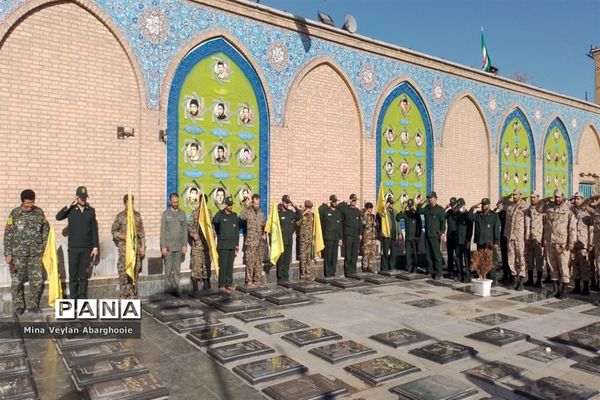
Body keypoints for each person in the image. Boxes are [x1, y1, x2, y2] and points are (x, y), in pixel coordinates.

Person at [4, 189, 49, 314]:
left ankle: (33, 305)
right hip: (18, 255)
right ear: (22, 201)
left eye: (32, 202)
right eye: (27, 203)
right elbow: (8, 234)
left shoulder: (39, 212)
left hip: (35, 254)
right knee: (17, 281)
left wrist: (43, 245)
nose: (30, 205)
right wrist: (8, 253)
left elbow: (46, 229)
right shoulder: (14, 213)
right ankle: (18, 306)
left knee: (37, 280)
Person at [56, 186, 99, 300]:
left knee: (83, 275)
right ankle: (73, 299)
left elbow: (94, 230)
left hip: (86, 249)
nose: (84, 199)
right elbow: (58, 217)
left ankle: (82, 298)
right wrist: (69, 205)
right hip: (74, 249)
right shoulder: (70, 210)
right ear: (77, 197)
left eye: (85, 197)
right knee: (73, 275)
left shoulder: (91, 211)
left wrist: (95, 247)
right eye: (81, 197)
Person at [536, 189, 575, 299]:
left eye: (559, 197)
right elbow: (538, 209)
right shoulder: (549, 207)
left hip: (562, 243)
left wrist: (571, 242)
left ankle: (563, 290)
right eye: (555, 197)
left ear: (562, 196)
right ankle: (555, 289)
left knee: (563, 266)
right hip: (550, 242)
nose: (557, 199)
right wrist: (544, 200)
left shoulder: (569, 208)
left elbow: (572, 227)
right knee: (552, 266)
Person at [111, 194, 146, 298]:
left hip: (135, 251)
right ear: (124, 203)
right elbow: (114, 231)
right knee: (123, 274)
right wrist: (123, 236)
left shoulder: (137, 216)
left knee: (134, 274)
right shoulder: (120, 216)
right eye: (129, 202)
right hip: (124, 252)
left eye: (132, 202)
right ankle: (124, 295)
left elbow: (142, 232)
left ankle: (132, 295)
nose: (131, 204)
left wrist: (143, 246)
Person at [160, 193, 187, 296]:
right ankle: (167, 290)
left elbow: (184, 230)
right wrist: (163, 247)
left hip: (179, 247)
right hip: (168, 248)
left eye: (177, 202)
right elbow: (162, 232)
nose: (176, 204)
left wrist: (184, 245)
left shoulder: (182, 214)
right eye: (174, 202)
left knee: (177, 270)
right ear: (170, 201)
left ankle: (176, 289)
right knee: (168, 270)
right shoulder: (165, 214)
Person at [468, 198, 501, 284]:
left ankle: (493, 279)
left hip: (489, 242)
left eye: (485, 204)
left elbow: (496, 230)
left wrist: (497, 242)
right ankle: (483, 277)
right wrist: (473, 208)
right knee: (481, 260)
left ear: (489, 205)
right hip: (480, 242)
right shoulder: (478, 215)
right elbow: (469, 217)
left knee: (490, 261)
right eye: (482, 204)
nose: (483, 206)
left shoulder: (494, 216)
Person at [213, 197, 239, 292]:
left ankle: (229, 284)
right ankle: (222, 285)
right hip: (223, 245)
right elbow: (215, 220)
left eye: (231, 204)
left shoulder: (234, 215)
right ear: (225, 204)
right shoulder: (221, 215)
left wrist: (237, 244)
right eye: (228, 204)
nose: (230, 206)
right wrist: (221, 210)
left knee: (229, 266)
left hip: (232, 245)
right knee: (223, 266)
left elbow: (236, 231)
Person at [417, 192, 446, 279]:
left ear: (435, 198)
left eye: (431, 198)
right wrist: (420, 204)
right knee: (428, 255)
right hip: (427, 235)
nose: (429, 199)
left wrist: (442, 233)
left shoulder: (439, 209)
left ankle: (439, 272)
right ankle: (430, 271)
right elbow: (419, 211)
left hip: (435, 236)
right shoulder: (426, 208)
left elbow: (443, 223)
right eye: (428, 198)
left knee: (436, 255)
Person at [504, 189, 528, 290]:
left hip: (520, 237)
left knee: (521, 258)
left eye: (516, 195)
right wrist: (506, 235)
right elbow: (499, 204)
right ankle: (514, 279)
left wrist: (527, 236)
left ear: (520, 195)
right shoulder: (509, 207)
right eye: (513, 195)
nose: (514, 197)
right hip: (510, 236)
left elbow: (527, 223)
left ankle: (521, 280)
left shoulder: (525, 206)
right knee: (511, 258)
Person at [569, 192, 593, 296]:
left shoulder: (587, 213)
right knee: (575, 266)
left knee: (585, 267)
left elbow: (591, 229)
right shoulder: (572, 211)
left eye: (578, 198)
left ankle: (586, 287)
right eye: (575, 198)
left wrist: (590, 243)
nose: (576, 200)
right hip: (574, 243)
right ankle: (577, 286)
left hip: (583, 243)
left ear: (583, 199)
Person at [188, 194, 213, 291]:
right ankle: (195, 287)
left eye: (204, 202)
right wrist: (194, 234)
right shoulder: (195, 213)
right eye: (201, 202)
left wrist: (213, 237)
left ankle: (207, 284)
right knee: (196, 265)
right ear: (199, 202)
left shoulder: (209, 213)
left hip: (207, 244)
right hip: (198, 244)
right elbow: (189, 226)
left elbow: (211, 227)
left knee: (207, 265)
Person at [240, 194, 265, 287]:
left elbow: (263, 224)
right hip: (250, 241)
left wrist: (263, 234)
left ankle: (257, 279)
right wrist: (247, 204)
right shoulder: (248, 211)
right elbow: (241, 216)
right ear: (252, 201)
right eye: (255, 203)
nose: (257, 205)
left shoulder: (261, 213)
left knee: (258, 261)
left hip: (259, 242)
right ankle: (249, 280)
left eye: (258, 203)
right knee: (250, 261)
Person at [277, 195, 301, 282]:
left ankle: (285, 276)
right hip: (281, 240)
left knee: (287, 260)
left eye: (288, 203)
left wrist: (294, 206)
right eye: (286, 202)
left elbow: (299, 216)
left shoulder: (290, 213)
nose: (287, 204)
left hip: (289, 240)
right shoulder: (278, 213)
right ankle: (280, 278)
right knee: (281, 260)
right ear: (282, 202)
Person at [338, 194, 362, 276]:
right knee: (348, 253)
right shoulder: (345, 209)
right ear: (350, 201)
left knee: (354, 254)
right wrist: (344, 203)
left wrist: (360, 233)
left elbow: (360, 223)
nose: (354, 202)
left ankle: (353, 269)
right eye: (353, 200)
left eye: (355, 200)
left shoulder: (357, 211)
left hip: (356, 235)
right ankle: (347, 271)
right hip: (348, 234)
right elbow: (338, 208)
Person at [319, 195, 343, 277]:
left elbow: (340, 226)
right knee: (328, 256)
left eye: (336, 201)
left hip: (336, 237)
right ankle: (328, 273)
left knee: (334, 256)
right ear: (330, 202)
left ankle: (333, 272)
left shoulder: (338, 212)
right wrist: (323, 204)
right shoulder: (325, 211)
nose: (335, 203)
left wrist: (340, 238)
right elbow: (319, 212)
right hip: (328, 237)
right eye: (334, 201)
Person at [524, 192, 544, 287]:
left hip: (538, 239)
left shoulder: (542, 210)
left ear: (538, 198)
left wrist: (543, 238)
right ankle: (530, 279)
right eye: (531, 197)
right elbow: (526, 225)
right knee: (529, 260)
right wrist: (526, 238)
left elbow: (546, 225)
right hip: (529, 238)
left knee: (539, 260)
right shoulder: (527, 211)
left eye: (534, 197)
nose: (532, 199)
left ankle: (539, 280)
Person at [396, 199, 421, 273]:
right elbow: (397, 218)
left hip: (414, 237)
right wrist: (403, 209)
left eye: (410, 205)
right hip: (408, 237)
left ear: (413, 205)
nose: (410, 206)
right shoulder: (406, 213)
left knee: (415, 254)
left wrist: (418, 235)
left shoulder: (416, 214)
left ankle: (415, 267)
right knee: (408, 253)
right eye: (408, 205)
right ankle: (408, 268)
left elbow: (419, 226)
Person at [582, 194, 600, 291]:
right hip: (597, 243)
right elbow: (583, 207)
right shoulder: (595, 210)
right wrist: (591, 198)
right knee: (598, 266)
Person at [454, 198, 473, 282]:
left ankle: (468, 276)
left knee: (466, 259)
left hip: (465, 240)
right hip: (458, 240)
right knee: (458, 258)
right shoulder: (457, 214)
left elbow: (470, 229)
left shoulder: (468, 215)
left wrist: (468, 240)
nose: (459, 208)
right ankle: (460, 275)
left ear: (464, 205)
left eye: (460, 206)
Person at [378, 196, 398, 271]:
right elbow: (380, 214)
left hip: (393, 235)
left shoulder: (395, 211)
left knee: (393, 252)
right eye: (391, 203)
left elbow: (397, 223)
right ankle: (385, 268)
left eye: (393, 203)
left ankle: (392, 267)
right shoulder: (384, 211)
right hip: (387, 235)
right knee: (385, 252)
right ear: (388, 203)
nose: (392, 205)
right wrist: (385, 207)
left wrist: (398, 234)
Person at [298, 200, 315, 280]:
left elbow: (313, 227)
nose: (309, 209)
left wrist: (313, 239)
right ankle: (303, 273)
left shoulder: (312, 215)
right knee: (303, 256)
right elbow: (297, 223)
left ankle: (308, 273)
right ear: (305, 207)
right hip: (303, 240)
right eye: (308, 208)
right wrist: (303, 214)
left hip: (309, 239)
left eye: (310, 208)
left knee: (308, 257)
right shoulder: (301, 214)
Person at [494, 200, 511, 283]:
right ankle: (505, 275)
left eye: (500, 204)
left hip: (508, 238)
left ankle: (511, 276)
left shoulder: (508, 214)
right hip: (502, 238)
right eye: (498, 204)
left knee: (510, 258)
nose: (498, 205)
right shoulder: (498, 213)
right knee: (504, 258)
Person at [361, 202, 378, 273]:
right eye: (369, 209)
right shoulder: (363, 215)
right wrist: (365, 214)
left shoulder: (373, 216)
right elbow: (363, 223)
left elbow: (377, 225)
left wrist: (376, 224)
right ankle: (364, 267)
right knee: (366, 252)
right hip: (366, 237)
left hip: (373, 237)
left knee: (372, 253)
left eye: (371, 209)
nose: (370, 210)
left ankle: (370, 266)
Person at [445, 197, 458, 277]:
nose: (453, 207)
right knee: (449, 253)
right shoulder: (449, 212)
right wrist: (446, 207)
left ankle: (457, 269)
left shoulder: (458, 212)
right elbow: (442, 215)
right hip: (449, 235)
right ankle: (450, 268)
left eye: (454, 205)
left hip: (456, 236)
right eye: (451, 205)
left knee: (457, 253)